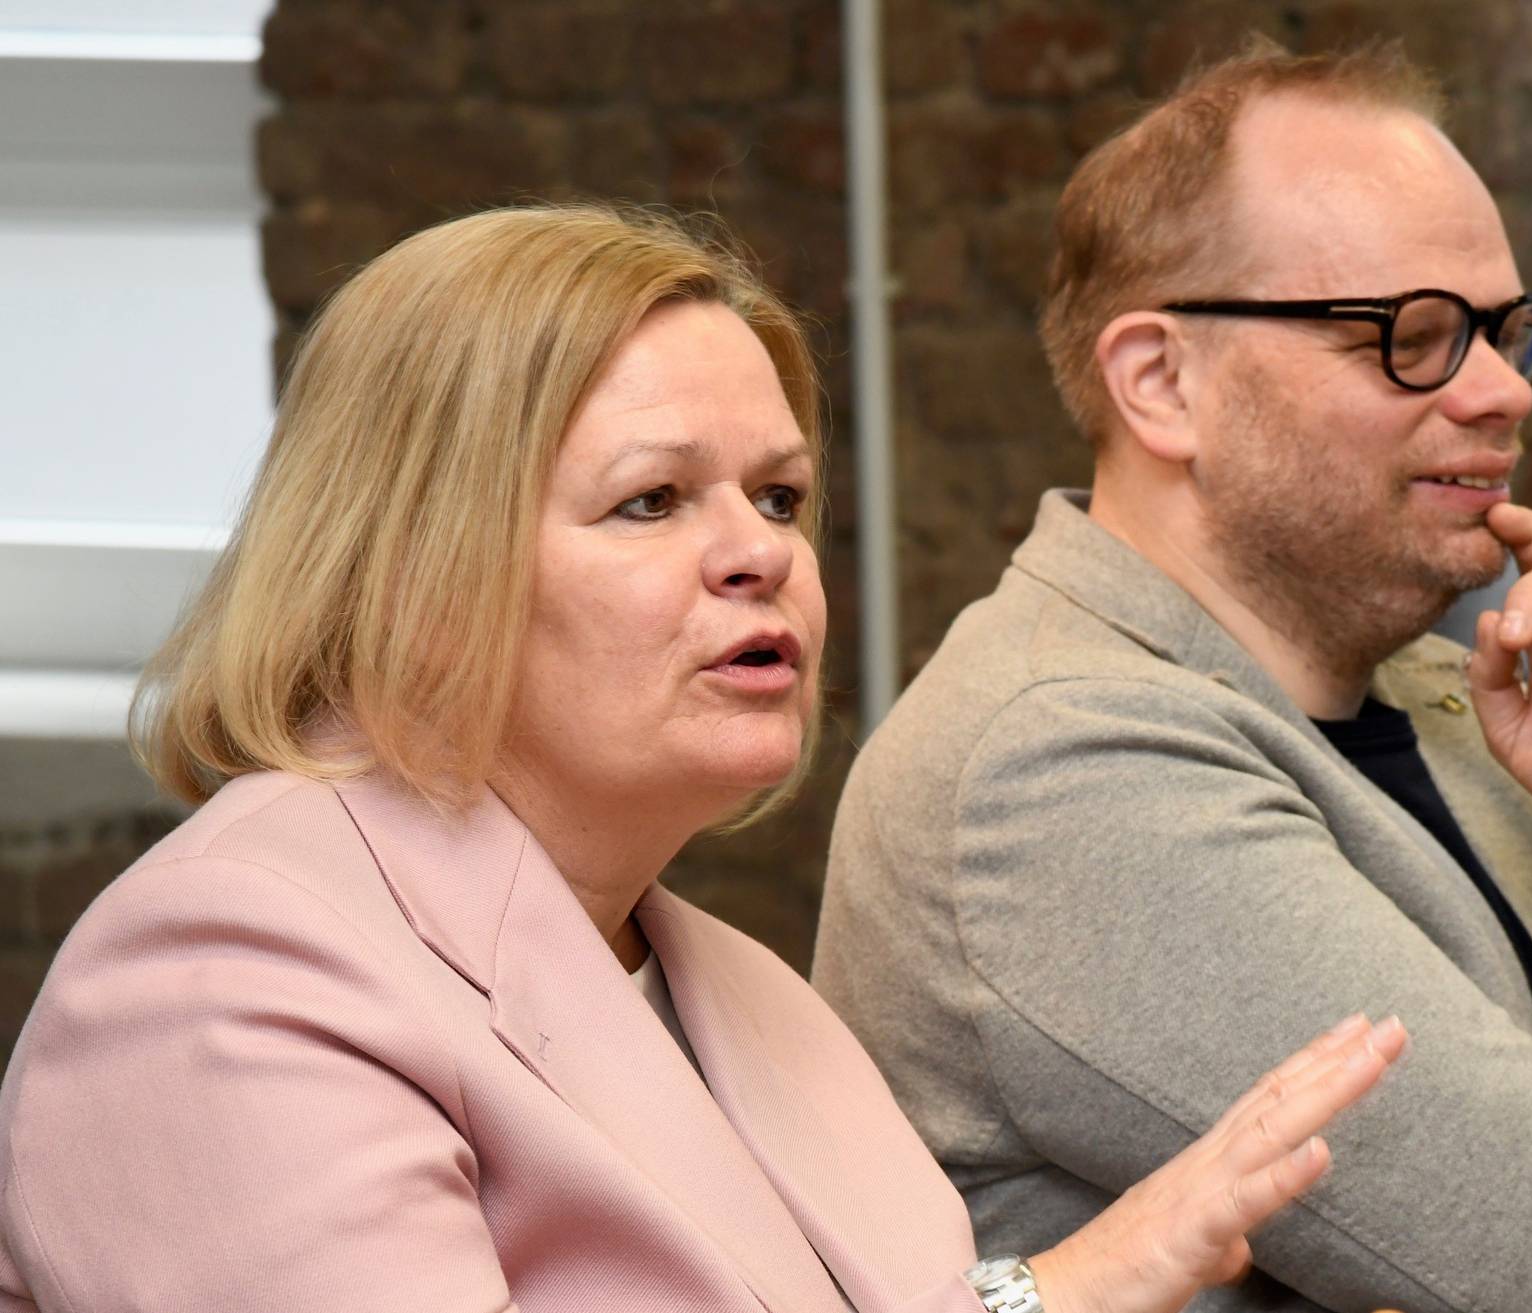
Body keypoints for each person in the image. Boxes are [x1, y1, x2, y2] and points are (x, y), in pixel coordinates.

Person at [0, 205, 1408, 1313]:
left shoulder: (745, 991)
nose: (763, 553)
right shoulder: (223, 973)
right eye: (653, 500)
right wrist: (1064, 1292)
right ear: (413, 574)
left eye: (779, 495)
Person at [812, 39, 1532, 1313]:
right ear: (1163, 383)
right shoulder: (1049, 763)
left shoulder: (1467, 703)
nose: (1504, 391)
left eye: (1511, 331)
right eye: (1416, 334)